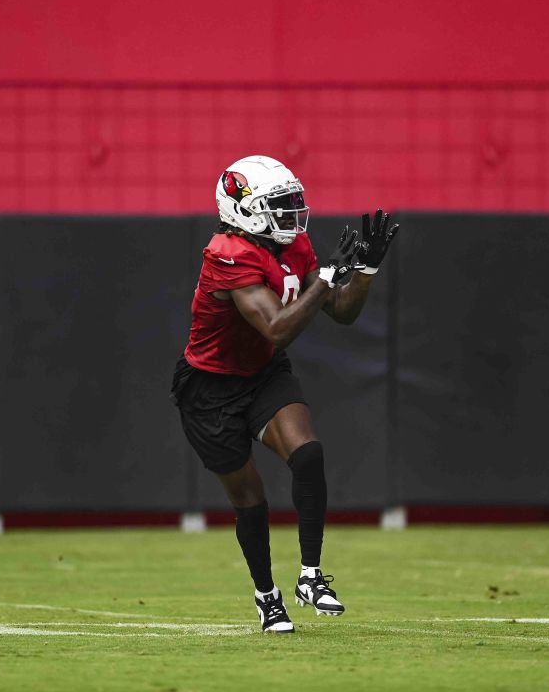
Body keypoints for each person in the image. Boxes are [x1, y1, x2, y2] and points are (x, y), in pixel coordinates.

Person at [170, 154, 399, 634]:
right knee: (251, 501)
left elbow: (340, 310)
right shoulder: (226, 251)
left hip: (262, 373)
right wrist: (330, 278)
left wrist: (366, 271)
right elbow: (277, 327)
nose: (294, 212)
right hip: (209, 389)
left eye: (294, 200)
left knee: (309, 454)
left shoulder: (292, 244)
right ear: (243, 208)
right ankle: (266, 596)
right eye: (280, 203)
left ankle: (311, 577)